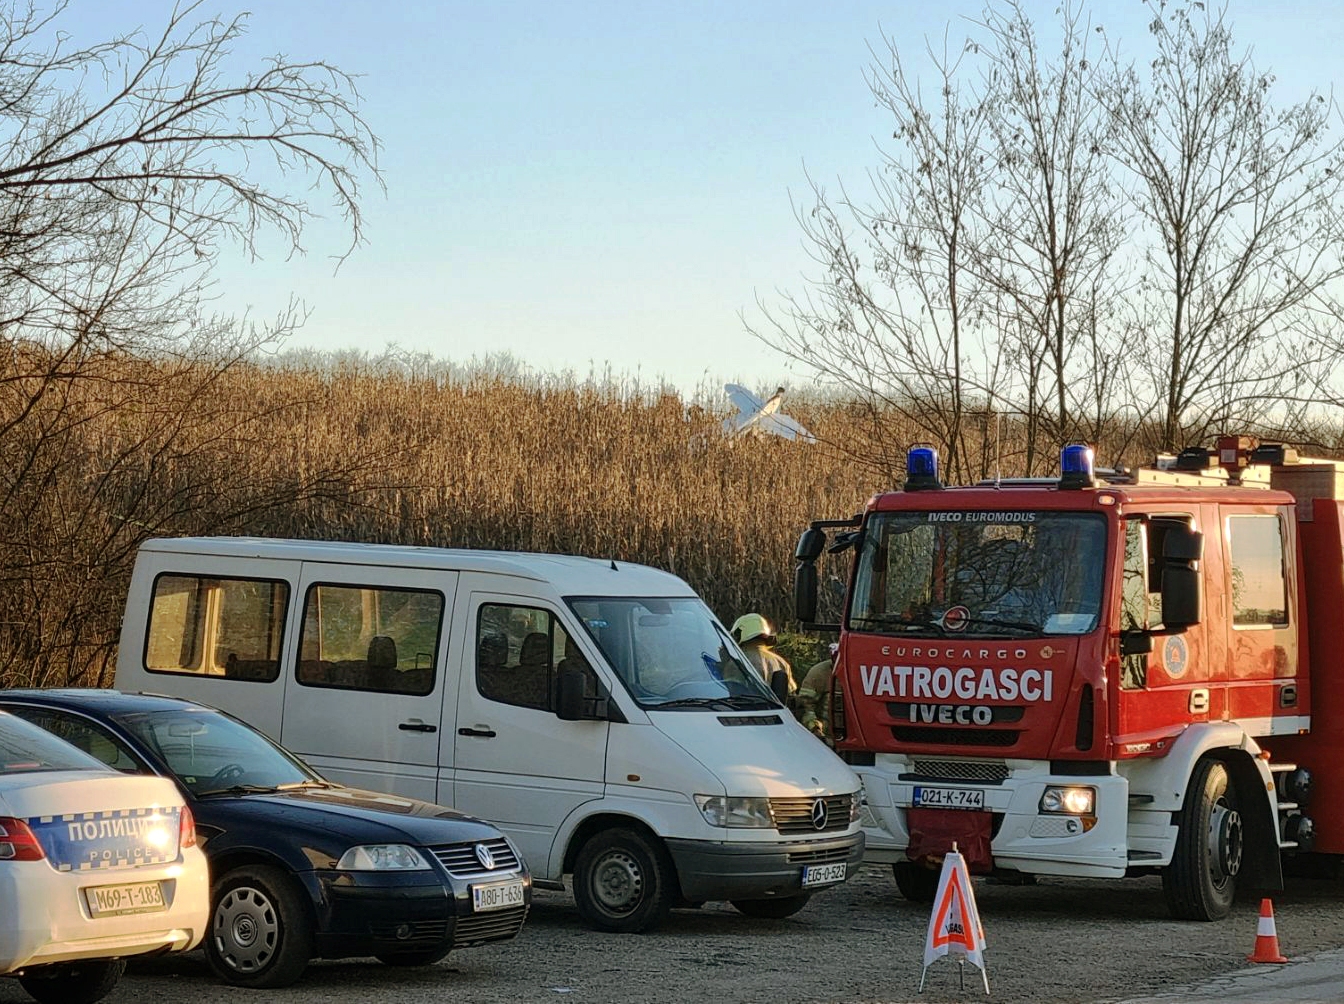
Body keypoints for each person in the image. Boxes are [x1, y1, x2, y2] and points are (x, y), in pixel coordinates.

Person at [730, 613, 795, 694]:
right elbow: (790, 695)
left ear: (738, 635)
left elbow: (729, 693)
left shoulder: (737, 662)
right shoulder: (782, 663)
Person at [793, 643, 838, 742]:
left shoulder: (866, 672)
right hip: (826, 742)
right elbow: (804, 705)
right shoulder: (820, 673)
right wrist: (815, 729)